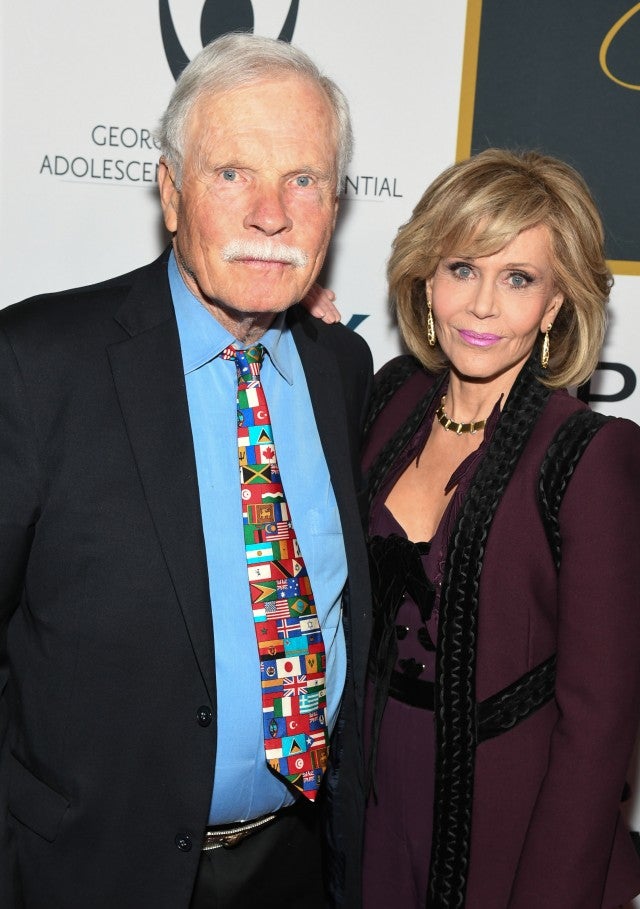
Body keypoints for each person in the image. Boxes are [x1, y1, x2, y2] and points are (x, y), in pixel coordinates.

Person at [0, 33, 373, 909]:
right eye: (232, 173)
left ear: (334, 203)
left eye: (304, 180)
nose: (272, 214)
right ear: (171, 192)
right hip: (86, 873)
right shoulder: (36, 364)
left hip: (297, 864)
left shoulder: (343, 369)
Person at [313, 148, 640, 908]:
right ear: (427, 279)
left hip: (506, 821)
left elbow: (598, 726)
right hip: (365, 795)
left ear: (555, 305)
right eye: (463, 268)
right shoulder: (392, 397)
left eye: (519, 278)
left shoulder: (589, 456)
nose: (483, 305)